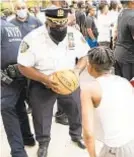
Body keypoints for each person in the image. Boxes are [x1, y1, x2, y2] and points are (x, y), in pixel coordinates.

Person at [17, 7, 89, 157]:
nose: (60, 28)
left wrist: (76, 71)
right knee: (41, 116)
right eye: (56, 25)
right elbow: (23, 66)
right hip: (42, 83)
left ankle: (76, 135)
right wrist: (45, 79)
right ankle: (43, 144)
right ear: (47, 22)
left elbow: (84, 56)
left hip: (70, 82)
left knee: (76, 110)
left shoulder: (73, 34)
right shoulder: (33, 38)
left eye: (63, 24)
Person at [81, 46, 134, 157]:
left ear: (89, 66)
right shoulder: (123, 82)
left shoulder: (89, 89)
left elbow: (88, 133)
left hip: (116, 148)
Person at [1, 18, 28, 157]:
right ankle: (28, 137)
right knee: (19, 106)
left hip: (6, 76)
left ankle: (18, 152)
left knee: (6, 108)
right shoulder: (12, 26)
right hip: (20, 72)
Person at [10, 0, 42, 116]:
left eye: (23, 7)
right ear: (15, 10)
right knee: (23, 83)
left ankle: (35, 104)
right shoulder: (11, 23)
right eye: (18, 8)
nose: (21, 10)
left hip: (35, 57)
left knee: (34, 82)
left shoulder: (35, 21)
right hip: (20, 58)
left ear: (27, 8)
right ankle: (27, 102)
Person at [114, 0, 134, 81]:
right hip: (129, 58)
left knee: (122, 85)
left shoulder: (122, 13)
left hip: (119, 55)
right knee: (129, 87)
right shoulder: (132, 16)